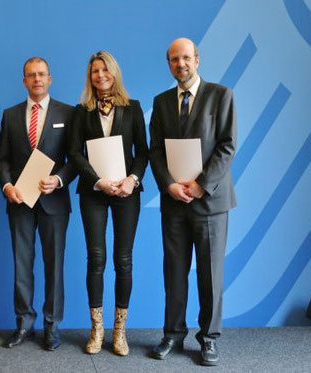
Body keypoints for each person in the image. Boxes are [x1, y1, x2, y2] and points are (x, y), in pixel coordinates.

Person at [148, 37, 237, 366]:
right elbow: (155, 149)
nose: (180, 64)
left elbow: (227, 145)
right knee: (174, 271)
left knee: (209, 274)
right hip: (174, 202)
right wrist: (169, 185)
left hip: (210, 202)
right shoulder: (161, 102)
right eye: (174, 59)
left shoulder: (221, 95)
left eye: (186, 58)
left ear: (197, 60)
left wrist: (201, 185)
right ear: (169, 64)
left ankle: (209, 339)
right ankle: (172, 334)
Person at [68, 51, 148, 356]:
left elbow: (143, 151)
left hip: (127, 193)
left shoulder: (133, 108)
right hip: (94, 193)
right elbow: (74, 153)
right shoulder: (81, 111)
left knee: (123, 259)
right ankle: (96, 329)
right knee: (96, 258)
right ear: (89, 77)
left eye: (104, 70)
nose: (100, 75)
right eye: (94, 71)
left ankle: (119, 330)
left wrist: (132, 179)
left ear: (114, 72)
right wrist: (97, 181)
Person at [0, 57, 75, 351]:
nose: (37, 79)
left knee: (54, 266)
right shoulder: (11, 114)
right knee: (22, 264)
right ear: (24, 81)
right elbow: (3, 158)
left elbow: (75, 159)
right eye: (31, 75)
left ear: (50, 79)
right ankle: (24, 324)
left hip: (54, 202)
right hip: (19, 202)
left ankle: (52, 326)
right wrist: (6, 185)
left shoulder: (67, 113)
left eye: (42, 75)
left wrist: (60, 179)